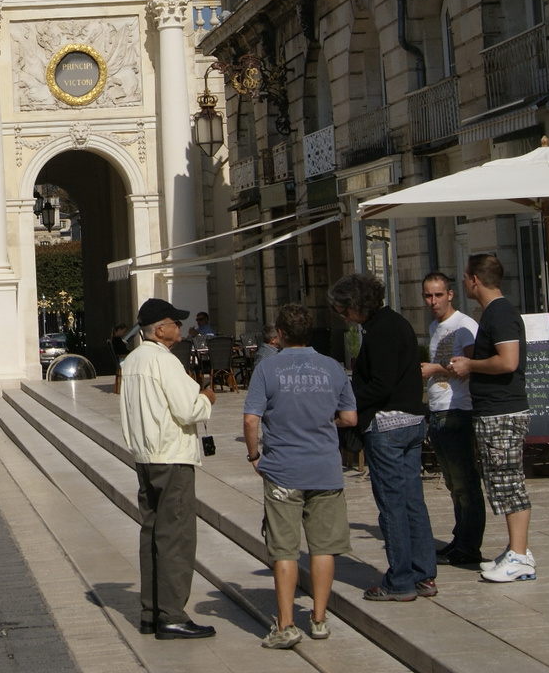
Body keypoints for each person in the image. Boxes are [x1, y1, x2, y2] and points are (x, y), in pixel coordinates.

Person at [243, 303, 358, 649]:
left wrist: (253, 455)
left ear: (279, 334)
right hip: (324, 468)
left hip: (283, 469)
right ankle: (319, 619)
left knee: (284, 549)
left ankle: (286, 625)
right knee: (323, 547)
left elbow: (251, 420)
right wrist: (326, 421)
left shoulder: (268, 368)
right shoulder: (332, 367)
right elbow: (350, 418)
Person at [332, 272, 434, 601]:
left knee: (392, 504)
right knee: (412, 501)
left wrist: (347, 403)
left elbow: (380, 384)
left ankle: (400, 580)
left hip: (388, 426)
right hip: (412, 421)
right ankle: (423, 573)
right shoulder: (396, 323)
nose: (344, 317)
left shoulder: (380, 332)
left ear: (358, 306)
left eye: (345, 310)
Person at [120, 298, 217, 640]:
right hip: (172, 457)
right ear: (160, 330)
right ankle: (173, 614)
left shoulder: (131, 362)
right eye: (175, 323)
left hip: (145, 457)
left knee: (152, 534)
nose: (180, 328)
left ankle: (151, 611)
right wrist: (206, 397)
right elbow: (187, 409)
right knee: (175, 536)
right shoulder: (164, 361)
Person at [449, 254, 535, 584]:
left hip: (503, 412)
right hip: (493, 411)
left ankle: (520, 555)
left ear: (474, 280)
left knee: (509, 482)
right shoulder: (493, 313)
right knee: (500, 482)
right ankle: (517, 550)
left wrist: (471, 366)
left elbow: (508, 361)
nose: (465, 281)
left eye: (466, 277)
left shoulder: (500, 313)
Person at [418, 271, 484, 567]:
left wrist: (435, 370)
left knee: (465, 481)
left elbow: (471, 366)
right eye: (427, 296)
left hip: (458, 408)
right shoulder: (435, 326)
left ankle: (470, 545)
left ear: (450, 295)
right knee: (452, 483)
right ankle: (460, 538)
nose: (432, 301)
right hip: (438, 408)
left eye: (437, 295)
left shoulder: (464, 325)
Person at [111, 324, 132, 393]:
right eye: (124, 331)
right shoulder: (117, 340)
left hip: (121, 358)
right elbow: (121, 351)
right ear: (119, 330)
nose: (124, 333)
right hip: (122, 359)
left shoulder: (116, 339)